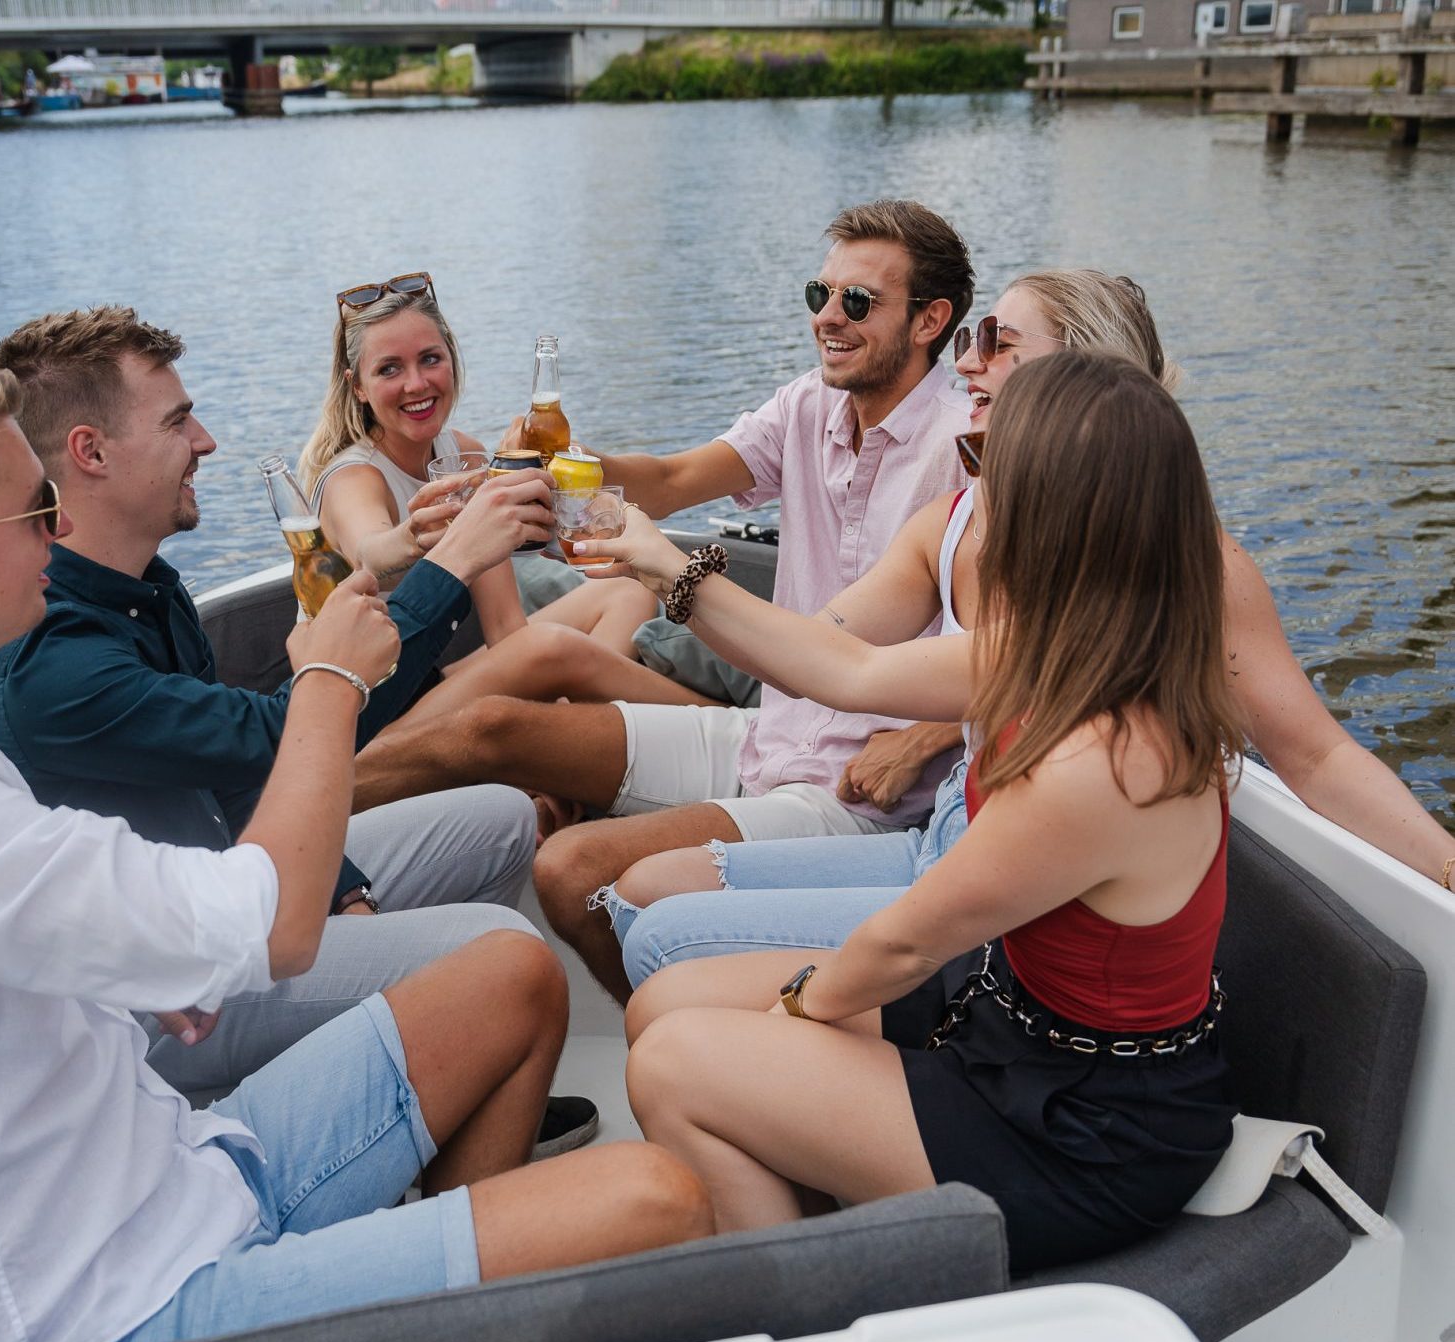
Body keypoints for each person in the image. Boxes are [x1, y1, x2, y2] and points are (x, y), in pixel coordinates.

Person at [0, 362, 711, 1342]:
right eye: (34, 507)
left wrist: (119, 975)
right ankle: (424, 1339)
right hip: (109, 1313)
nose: (55, 529)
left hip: (180, 1175)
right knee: (660, 1197)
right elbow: (279, 930)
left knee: (508, 978)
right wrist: (331, 679)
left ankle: (420, 1335)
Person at [595, 269, 1455, 988]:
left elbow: (1314, 754)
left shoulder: (1190, 568)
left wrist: (1445, 866)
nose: (965, 364)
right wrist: (655, 571)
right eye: (968, 338)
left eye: (997, 343)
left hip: (1040, 883)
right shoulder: (955, 518)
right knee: (643, 891)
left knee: (663, 940)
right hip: (948, 831)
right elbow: (818, 650)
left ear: (1083, 375)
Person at [626, 350, 1238, 1270]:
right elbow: (846, 668)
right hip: (1003, 1020)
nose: (970, 490)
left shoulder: (1108, 760)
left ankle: (796, 1314)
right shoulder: (1060, 650)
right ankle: (812, 1200)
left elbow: (903, 945)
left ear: (1050, 513)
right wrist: (659, 562)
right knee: (666, 999)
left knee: (674, 1060)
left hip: (1083, 1125)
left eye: (988, 467)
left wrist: (792, 1024)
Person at [0, 307, 594, 1152]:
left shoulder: (141, 584)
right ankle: (436, 1153)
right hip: (179, 986)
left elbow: (239, 770)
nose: (205, 439)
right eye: (176, 420)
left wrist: (345, 886)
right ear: (91, 452)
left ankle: (440, 1080)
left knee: (500, 818)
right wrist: (453, 562)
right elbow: (290, 729)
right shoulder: (57, 662)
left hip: (238, 883)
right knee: (502, 946)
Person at [348, 199, 976, 1001]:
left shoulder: (967, 447)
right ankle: (269, 818)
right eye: (816, 295)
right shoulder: (806, 408)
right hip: (770, 732)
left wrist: (925, 738)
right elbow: (675, 479)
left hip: (861, 790)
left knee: (572, 869)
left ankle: (687, 1050)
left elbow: (1035, 647)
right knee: (485, 727)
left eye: (857, 302)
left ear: (930, 320)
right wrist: (570, 463)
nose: (827, 318)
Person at [300, 272, 655, 656]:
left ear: (451, 358)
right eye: (389, 369)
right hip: (371, 691)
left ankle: (583, 714)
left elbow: (505, 628)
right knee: (559, 648)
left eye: (430, 359)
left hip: (442, 671)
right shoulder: (354, 477)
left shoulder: (464, 453)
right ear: (358, 387)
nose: (416, 384)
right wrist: (412, 537)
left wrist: (569, 509)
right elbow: (369, 551)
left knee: (628, 592)